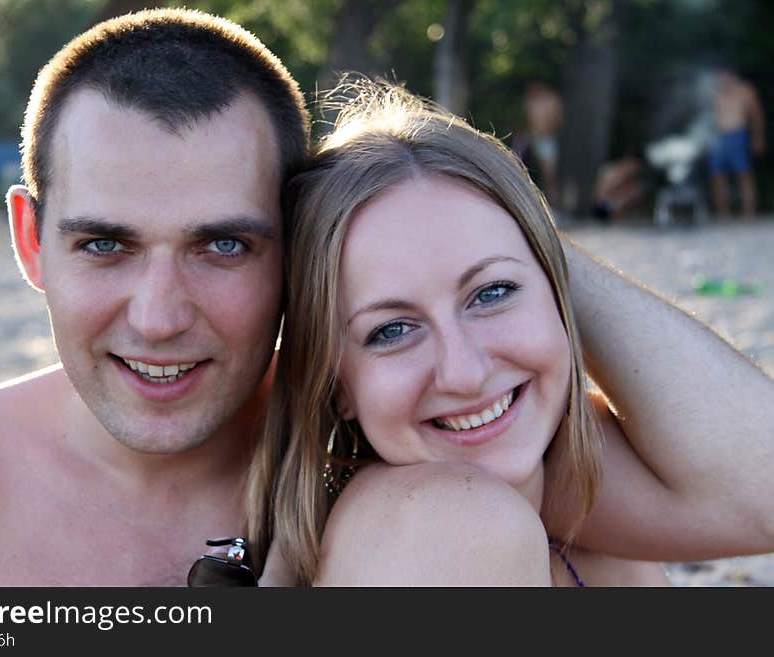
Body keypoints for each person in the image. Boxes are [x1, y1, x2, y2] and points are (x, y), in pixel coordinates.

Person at [249, 80, 774, 586]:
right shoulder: (447, 525)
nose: (466, 373)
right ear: (336, 384)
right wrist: (513, 247)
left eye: (493, 293)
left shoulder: (571, 490)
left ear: (556, 288)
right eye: (392, 330)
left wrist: (525, 228)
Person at [0, 8, 309, 586]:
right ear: (31, 241)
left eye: (223, 245)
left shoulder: (386, 477)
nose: (158, 319)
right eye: (105, 244)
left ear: (298, 249)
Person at [708, 67, 766, 220]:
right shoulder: (714, 93)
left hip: (738, 133)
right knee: (718, 176)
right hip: (718, 137)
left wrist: (758, 138)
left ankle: (748, 213)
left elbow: (756, 116)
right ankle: (723, 214)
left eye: (726, 75)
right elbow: (707, 118)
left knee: (743, 174)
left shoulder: (745, 91)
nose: (723, 79)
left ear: (733, 75)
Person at [523, 81, 563, 209]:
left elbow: (555, 120)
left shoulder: (551, 101)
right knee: (545, 176)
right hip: (538, 139)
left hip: (547, 139)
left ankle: (555, 206)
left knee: (550, 176)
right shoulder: (534, 102)